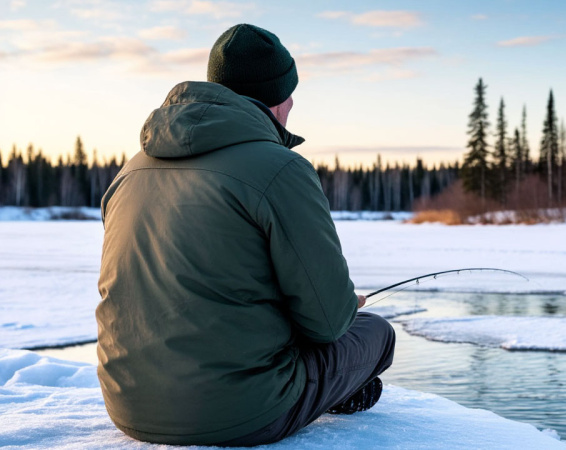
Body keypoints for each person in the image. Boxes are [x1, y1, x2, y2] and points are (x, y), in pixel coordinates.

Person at [96, 23, 395, 446]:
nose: (292, 104)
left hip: (126, 406)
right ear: (278, 98)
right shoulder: (281, 168)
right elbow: (327, 323)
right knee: (377, 333)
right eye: (291, 94)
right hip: (243, 414)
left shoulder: (131, 169)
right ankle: (338, 392)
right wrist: (348, 305)